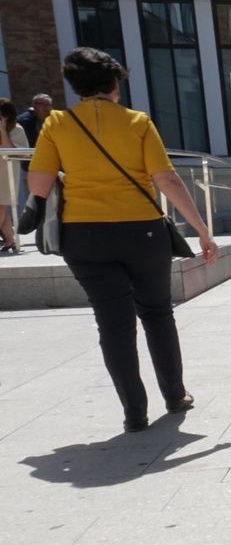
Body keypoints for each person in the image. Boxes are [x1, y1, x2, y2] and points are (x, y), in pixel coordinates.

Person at [23, 47, 219, 434]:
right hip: (142, 231)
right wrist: (201, 229)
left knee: (113, 325)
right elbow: (166, 179)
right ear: (115, 82)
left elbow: (40, 182)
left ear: (75, 85)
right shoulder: (137, 122)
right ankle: (175, 395)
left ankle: (134, 413)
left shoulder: (57, 123)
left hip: (83, 234)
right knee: (157, 313)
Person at [0, 98, 24, 253]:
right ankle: (10, 240)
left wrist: (2, 130)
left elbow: (11, 151)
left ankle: (10, 240)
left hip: (6, 170)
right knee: (1, 207)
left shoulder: (17, 129)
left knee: (1, 206)